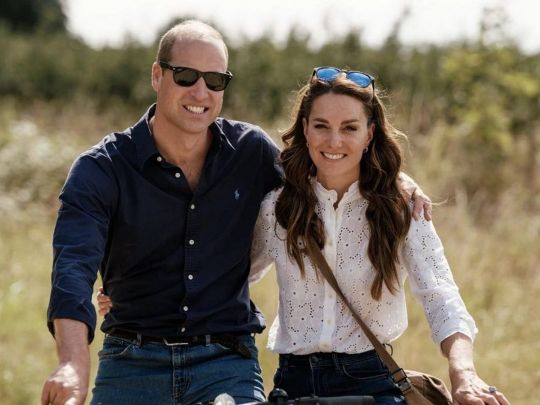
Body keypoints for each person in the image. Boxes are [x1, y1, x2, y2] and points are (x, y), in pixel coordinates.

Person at [44, 19, 430, 405]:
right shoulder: (102, 169)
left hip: (226, 363)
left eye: (215, 80)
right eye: (186, 76)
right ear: (157, 75)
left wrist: (395, 180)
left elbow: (324, 170)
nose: (201, 91)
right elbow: (73, 269)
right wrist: (72, 365)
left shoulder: (250, 152)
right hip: (131, 362)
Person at [246, 68, 510, 404]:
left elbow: (440, 295)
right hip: (294, 384)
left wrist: (464, 373)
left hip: (372, 383)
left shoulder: (401, 207)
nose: (334, 141)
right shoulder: (277, 206)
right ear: (305, 128)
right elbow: (233, 278)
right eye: (322, 126)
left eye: (350, 128)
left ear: (369, 134)